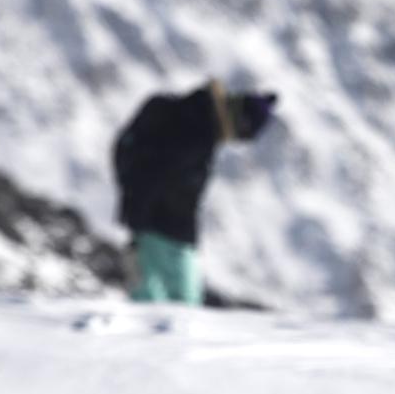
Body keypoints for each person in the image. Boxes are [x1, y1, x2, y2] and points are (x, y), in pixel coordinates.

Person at [112, 78, 277, 305]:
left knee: (153, 303)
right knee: (179, 310)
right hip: (165, 231)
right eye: (243, 135)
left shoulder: (196, 118)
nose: (235, 141)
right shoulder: (195, 130)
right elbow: (155, 173)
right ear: (241, 122)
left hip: (160, 230)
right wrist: (138, 220)